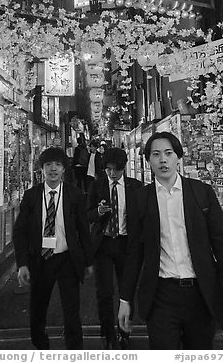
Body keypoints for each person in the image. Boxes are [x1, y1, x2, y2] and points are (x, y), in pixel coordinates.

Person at [118, 131, 223, 350]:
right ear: (148, 160)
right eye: (155, 154)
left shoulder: (202, 192)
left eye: (168, 153)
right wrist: (125, 299)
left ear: (178, 157)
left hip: (200, 294)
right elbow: (134, 251)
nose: (163, 160)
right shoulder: (140, 199)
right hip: (161, 295)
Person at [13, 147, 94, 350]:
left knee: (72, 310)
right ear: (42, 169)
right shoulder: (31, 196)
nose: (53, 169)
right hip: (40, 260)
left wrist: (89, 261)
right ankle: (41, 346)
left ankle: (74, 350)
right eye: (48, 165)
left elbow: (84, 229)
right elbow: (20, 231)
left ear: (64, 169)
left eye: (57, 165)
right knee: (38, 308)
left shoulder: (74, 195)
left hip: (66, 259)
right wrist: (22, 264)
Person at [87, 147, 143, 349]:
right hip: (103, 244)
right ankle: (107, 333)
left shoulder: (135, 187)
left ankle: (124, 331)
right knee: (104, 291)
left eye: (116, 170)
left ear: (124, 168)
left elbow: (142, 216)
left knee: (126, 290)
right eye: (108, 169)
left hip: (126, 244)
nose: (112, 174)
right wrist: (98, 212)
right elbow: (87, 214)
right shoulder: (98, 185)